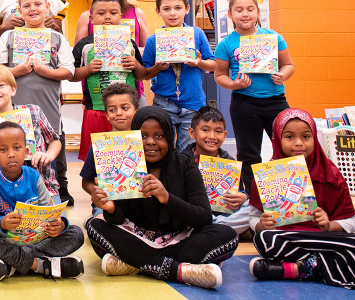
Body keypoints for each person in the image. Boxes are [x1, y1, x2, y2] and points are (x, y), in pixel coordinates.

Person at [84, 106, 239, 289]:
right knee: (94, 225)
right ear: (134, 138)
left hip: (178, 239)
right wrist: (110, 208)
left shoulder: (185, 165)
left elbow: (204, 217)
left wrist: (167, 198)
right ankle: (179, 271)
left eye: (159, 136)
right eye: (143, 136)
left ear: (170, 137)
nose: (150, 142)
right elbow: (119, 219)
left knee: (228, 236)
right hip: (137, 236)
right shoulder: (126, 167)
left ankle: (136, 264)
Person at [247, 109, 355, 290]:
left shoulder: (332, 174)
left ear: (315, 137)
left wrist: (329, 225)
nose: (299, 143)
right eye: (289, 137)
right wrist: (262, 225)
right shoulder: (266, 176)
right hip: (287, 238)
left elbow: (351, 222)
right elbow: (253, 218)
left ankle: (304, 268)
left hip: (325, 239)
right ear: (277, 139)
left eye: (306, 136)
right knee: (265, 239)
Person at [0, 122, 84, 281]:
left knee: (75, 233)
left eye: (17, 148)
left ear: (26, 151)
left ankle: (10, 264)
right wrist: (1, 224)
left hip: (35, 240)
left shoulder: (34, 177)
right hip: (2, 239)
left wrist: (59, 225)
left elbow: (48, 213)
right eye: (3, 150)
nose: (11, 154)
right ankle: (40, 265)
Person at [0, 0, 75, 204]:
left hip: (47, 110)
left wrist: (47, 72)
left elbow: (69, 70)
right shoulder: (9, 36)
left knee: (47, 157)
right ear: (18, 10)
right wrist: (17, 71)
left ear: (47, 8)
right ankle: (12, 200)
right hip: (14, 111)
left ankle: (50, 199)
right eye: (26, 6)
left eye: (38, 4)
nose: (33, 9)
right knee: (15, 155)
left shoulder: (57, 38)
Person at [214, 0, 295, 190]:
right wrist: (234, 84)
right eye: (239, 10)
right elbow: (219, 76)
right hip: (244, 103)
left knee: (287, 148)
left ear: (258, 12)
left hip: (276, 101)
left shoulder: (273, 37)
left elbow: (289, 65)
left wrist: (283, 75)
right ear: (230, 14)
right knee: (249, 153)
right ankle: (253, 199)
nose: (245, 14)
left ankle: (287, 196)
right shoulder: (226, 44)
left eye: (250, 9)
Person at [72, 0, 149, 161]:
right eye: (101, 13)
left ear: (121, 16)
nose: (107, 17)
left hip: (126, 111)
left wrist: (135, 65)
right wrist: (87, 69)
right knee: (96, 159)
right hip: (96, 110)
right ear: (91, 18)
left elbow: (142, 75)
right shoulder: (84, 45)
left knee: (127, 156)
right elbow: (72, 75)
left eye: (113, 13)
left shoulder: (129, 43)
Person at [141, 0, 215, 153]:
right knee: (162, 149)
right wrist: (158, 67)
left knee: (186, 151)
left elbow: (213, 63)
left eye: (178, 8)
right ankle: (165, 180)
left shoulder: (197, 33)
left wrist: (199, 63)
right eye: (166, 9)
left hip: (192, 103)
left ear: (187, 9)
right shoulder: (153, 40)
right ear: (158, 11)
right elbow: (146, 74)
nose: (172, 13)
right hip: (163, 102)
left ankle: (182, 180)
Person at [0, 65, 63, 201]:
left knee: (54, 222)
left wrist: (48, 156)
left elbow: (55, 141)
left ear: (13, 89)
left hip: (44, 188)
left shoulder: (33, 112)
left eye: (0, 85)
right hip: (5, 195)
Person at [177, 106, 250, 237]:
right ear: (192, 133)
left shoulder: (230, 162)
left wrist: (243, 197)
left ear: (225, 135)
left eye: (218, 131)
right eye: (205, 130)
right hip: (194, 216)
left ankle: (216, 228)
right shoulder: (182, 161)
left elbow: (240, 191)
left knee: (254, 206)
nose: (212, 136)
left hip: (225, 216)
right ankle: (220, 230)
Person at [81, 83, 140, 216]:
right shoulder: (100, 145)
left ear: (136, 110)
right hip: (108, 202)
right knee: (99, 222)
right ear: (106, 115)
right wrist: (97, 192)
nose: (119, 113)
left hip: (140, 202)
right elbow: (86, 181)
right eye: (112, 110)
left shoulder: (144, 141)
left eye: (125, 108)